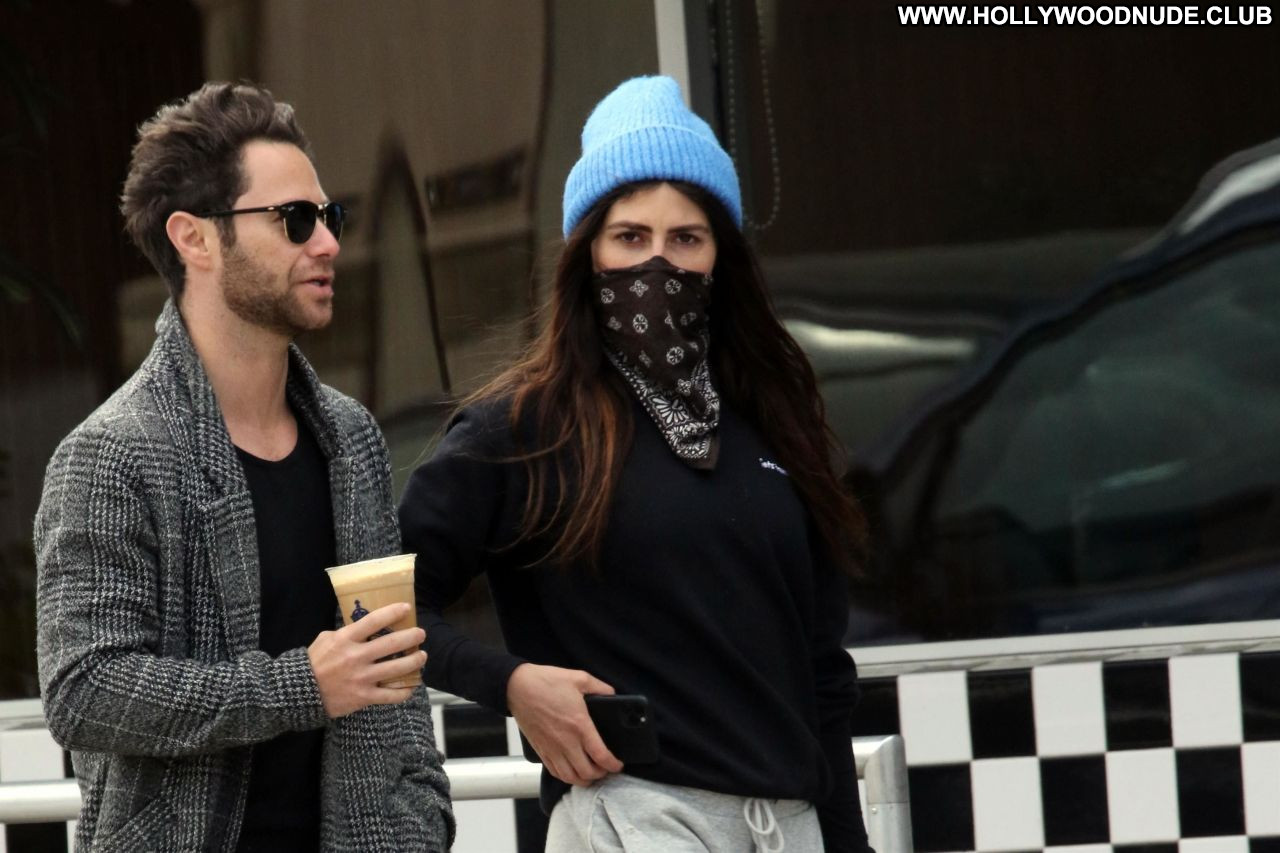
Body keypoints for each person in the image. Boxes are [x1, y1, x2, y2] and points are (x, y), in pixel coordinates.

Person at [400, 75, 872, 852]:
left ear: (722, 258)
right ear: (586, 253)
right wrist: (512, 684)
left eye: (685, 238)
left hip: (790, 828)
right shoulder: (522, 428)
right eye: (629, 237)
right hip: (634, 819)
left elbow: (823, 676)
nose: (657, 263)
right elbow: (371, 603)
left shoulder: (773, 427)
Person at [34, 82, 453, 852]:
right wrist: (300, 686)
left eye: (329, 217)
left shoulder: (350, 440)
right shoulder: (112, 454)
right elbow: (86, 688)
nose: (326, 244)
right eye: (294, 219)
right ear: (194, 238)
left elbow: (390, 671)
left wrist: (419, 818)